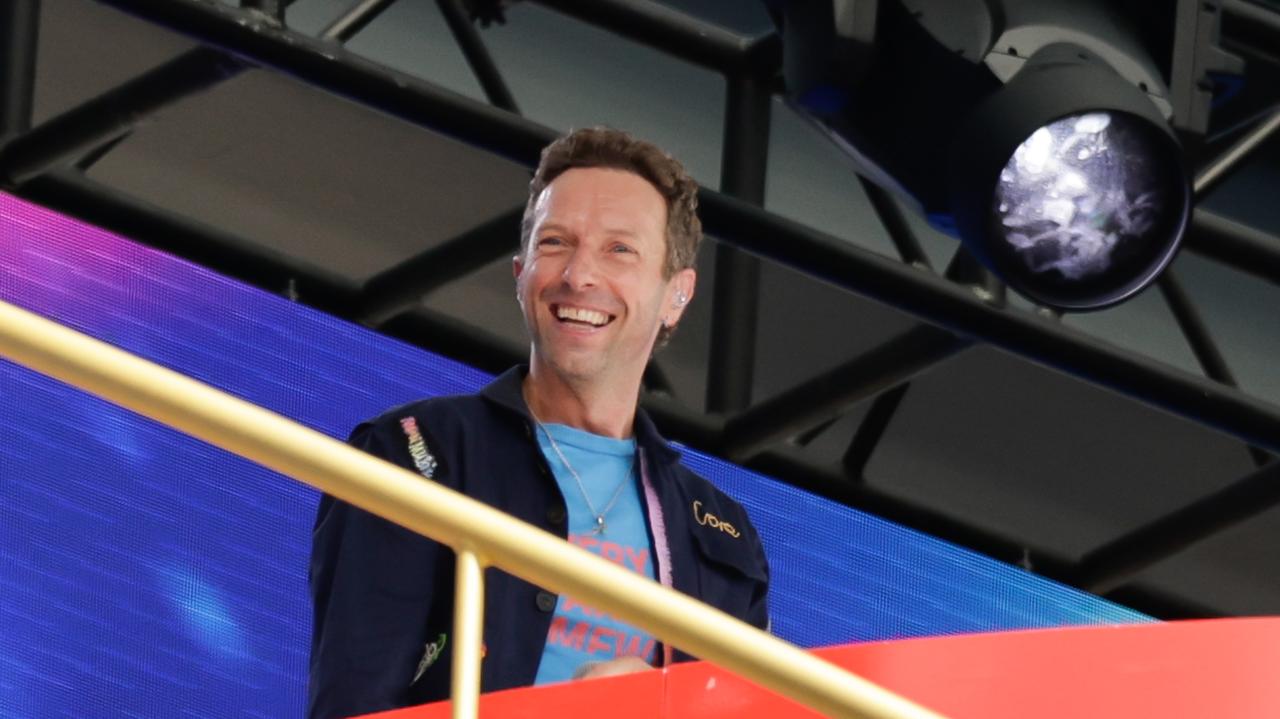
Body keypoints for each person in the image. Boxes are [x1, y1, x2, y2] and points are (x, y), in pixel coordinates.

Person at [307, 127, 770, 719]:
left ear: (676, 295)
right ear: (521, 271)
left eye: (619, 249)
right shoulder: (412, 453)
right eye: (555, 242)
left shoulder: (725, 533)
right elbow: (355, 704)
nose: (579, 274)